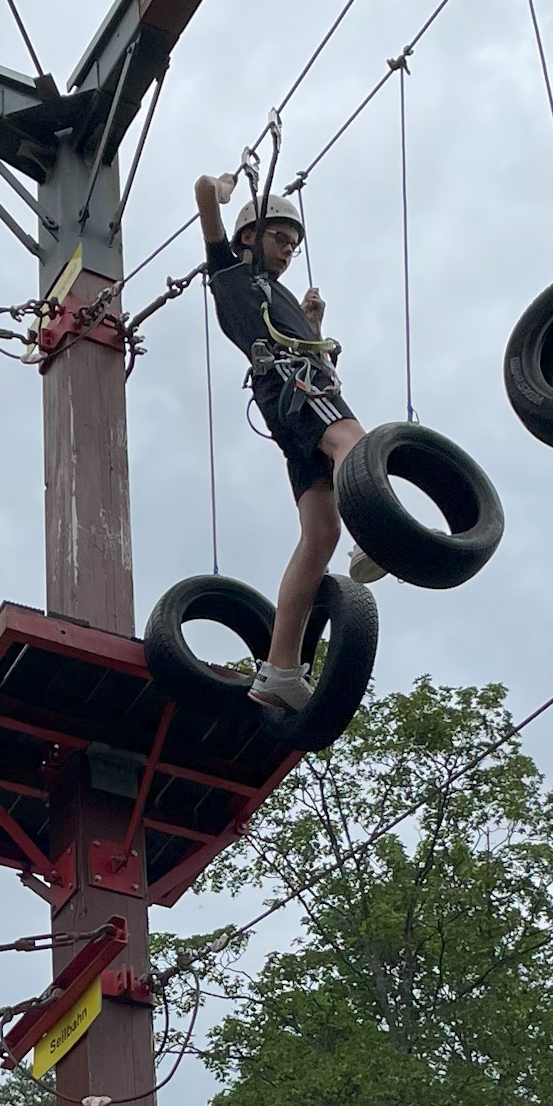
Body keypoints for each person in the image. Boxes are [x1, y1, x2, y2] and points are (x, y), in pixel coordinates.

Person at [194, 172, 384, 711]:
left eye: (294, 247)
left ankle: (279, 667)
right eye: (280, 239)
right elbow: (204, 190)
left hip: (291, 391)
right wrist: (228, 187)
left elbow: (310, 349)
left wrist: (313, 321)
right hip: (292, 383)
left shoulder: (279, 298)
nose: (287, 252)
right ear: (249, 235)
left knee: (320, 532)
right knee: (355, 443)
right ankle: (375, 530)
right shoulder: (230, 270)